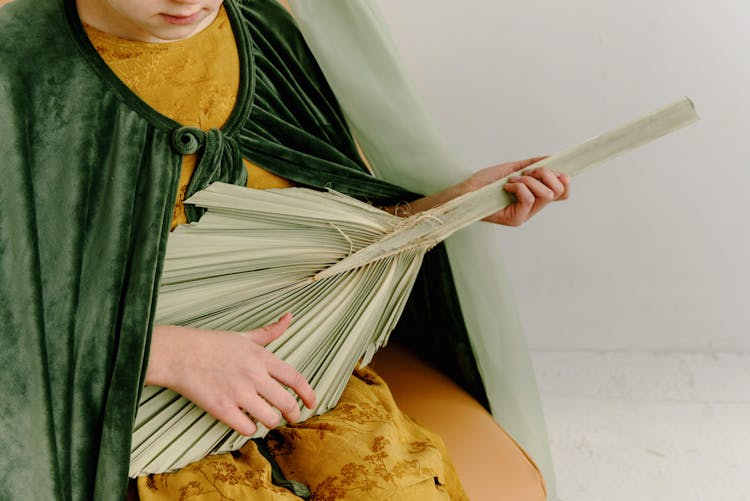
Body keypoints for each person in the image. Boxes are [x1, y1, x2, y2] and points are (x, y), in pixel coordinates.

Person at [0, 0, 569, 499]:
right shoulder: (17, 68)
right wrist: (164, 352)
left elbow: (334, 236)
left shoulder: (262, 32)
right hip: (114, 404)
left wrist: (454, 204)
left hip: (302, 374)